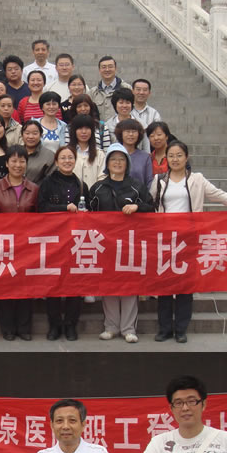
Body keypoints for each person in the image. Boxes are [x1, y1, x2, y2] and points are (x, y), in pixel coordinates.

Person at [151, 140, 227, 343]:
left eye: (179, 155)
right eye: (171, 156)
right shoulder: (159, 180)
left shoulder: (197, 179)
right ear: (166, 158)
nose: (175, 159)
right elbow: (148, 203)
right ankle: (164, 329)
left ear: (186, 157)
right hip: (165, 239)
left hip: (189, 238)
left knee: (185, 286)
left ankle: (181, 329)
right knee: (164, 285)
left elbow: (220, 196)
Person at [89, 144, 154, 343]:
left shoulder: (137, 186)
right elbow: (88, 216)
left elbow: (151, 208)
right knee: (108, 285)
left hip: (130, 244)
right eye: (113, 159)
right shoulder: (98, 188)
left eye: (121, 159)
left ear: (127, 163)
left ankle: (128, 328)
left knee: (130, 285)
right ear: (107, 163)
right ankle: (111, 327)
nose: (117, 163)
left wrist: (137, 207)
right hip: (105, 245)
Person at [0, 145, 39, 341]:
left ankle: (24, 328)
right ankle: (7, 327)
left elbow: (40, 218)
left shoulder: (34, 188)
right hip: (4, 245)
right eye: (14, 161)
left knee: (26, 287)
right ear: (7, 163)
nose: (18, 165)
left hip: (26, 246)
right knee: (6, 287)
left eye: (22, 161)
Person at [38, 145, 88, 341]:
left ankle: (71, 325)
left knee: (75, 284)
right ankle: (54, 325)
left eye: (70, 158)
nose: (67, 161)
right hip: (53, 239)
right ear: (56, 161)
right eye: (63, 158)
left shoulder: (82, 185)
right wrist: (64, 208)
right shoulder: (47, 183)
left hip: (75, 241)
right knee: (53, 284)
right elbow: (41, 208)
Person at [88, 56, 131, 122]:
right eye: (104, 67)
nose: (107, 70)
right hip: (100, 128)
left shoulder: (127, 88)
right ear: (99, 70)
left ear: (115, 68)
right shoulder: (92, 93)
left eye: (110, 66)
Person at [69, 114, 106, 189]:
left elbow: (102, 177)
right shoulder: (67, 153)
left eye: (87, 128)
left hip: (94, 194)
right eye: (80, 128)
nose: (84, 132)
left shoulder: (99, 154)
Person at [114, 118, 152, 189]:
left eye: (134, 131)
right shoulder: (113, 155)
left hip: (140, 194)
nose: (131, 134)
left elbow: (149, 182)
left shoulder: (145, 157)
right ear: (121, 133)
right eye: (127, 131)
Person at [21, 119, 55, 185]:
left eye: (35, 133)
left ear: (41, 135)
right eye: (27, 133)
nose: (31, 137)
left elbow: (52, 181)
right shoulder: (16, 153)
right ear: (22, 135)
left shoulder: (50, 156)